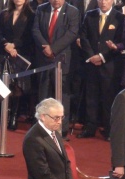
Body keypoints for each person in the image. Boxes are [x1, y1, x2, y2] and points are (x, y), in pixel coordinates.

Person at [76, 0, 124, 140]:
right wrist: (92, 56)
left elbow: (120, 42)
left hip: (110, 65)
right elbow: (83, 37)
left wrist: (102, 56)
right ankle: (90, 127)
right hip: (91, 64)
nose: (104, 2)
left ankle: (109, 130)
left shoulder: (120, 18)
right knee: (91, 97)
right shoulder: (89, 15)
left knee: (108, 99)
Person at [32, 0, 79, 138]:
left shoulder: (72, 11)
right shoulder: (41, 9)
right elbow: (35, 30)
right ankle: (41, 125)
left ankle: (61, 129)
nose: (56, 1)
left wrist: (53, 48)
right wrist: (45, 46)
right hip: (43, 57)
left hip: (62, 60)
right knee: (43, 92)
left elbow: (72, 33)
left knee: (62, 95)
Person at [0, 0, 35, 130]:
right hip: (5, 54)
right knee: (4, 86)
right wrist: (6, 45)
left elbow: (30, 36)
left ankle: (13, 116)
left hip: (21, 55)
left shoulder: (31, 15)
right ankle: (3, 114)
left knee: (18, 87)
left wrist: (15, 45)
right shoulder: (4, 14)